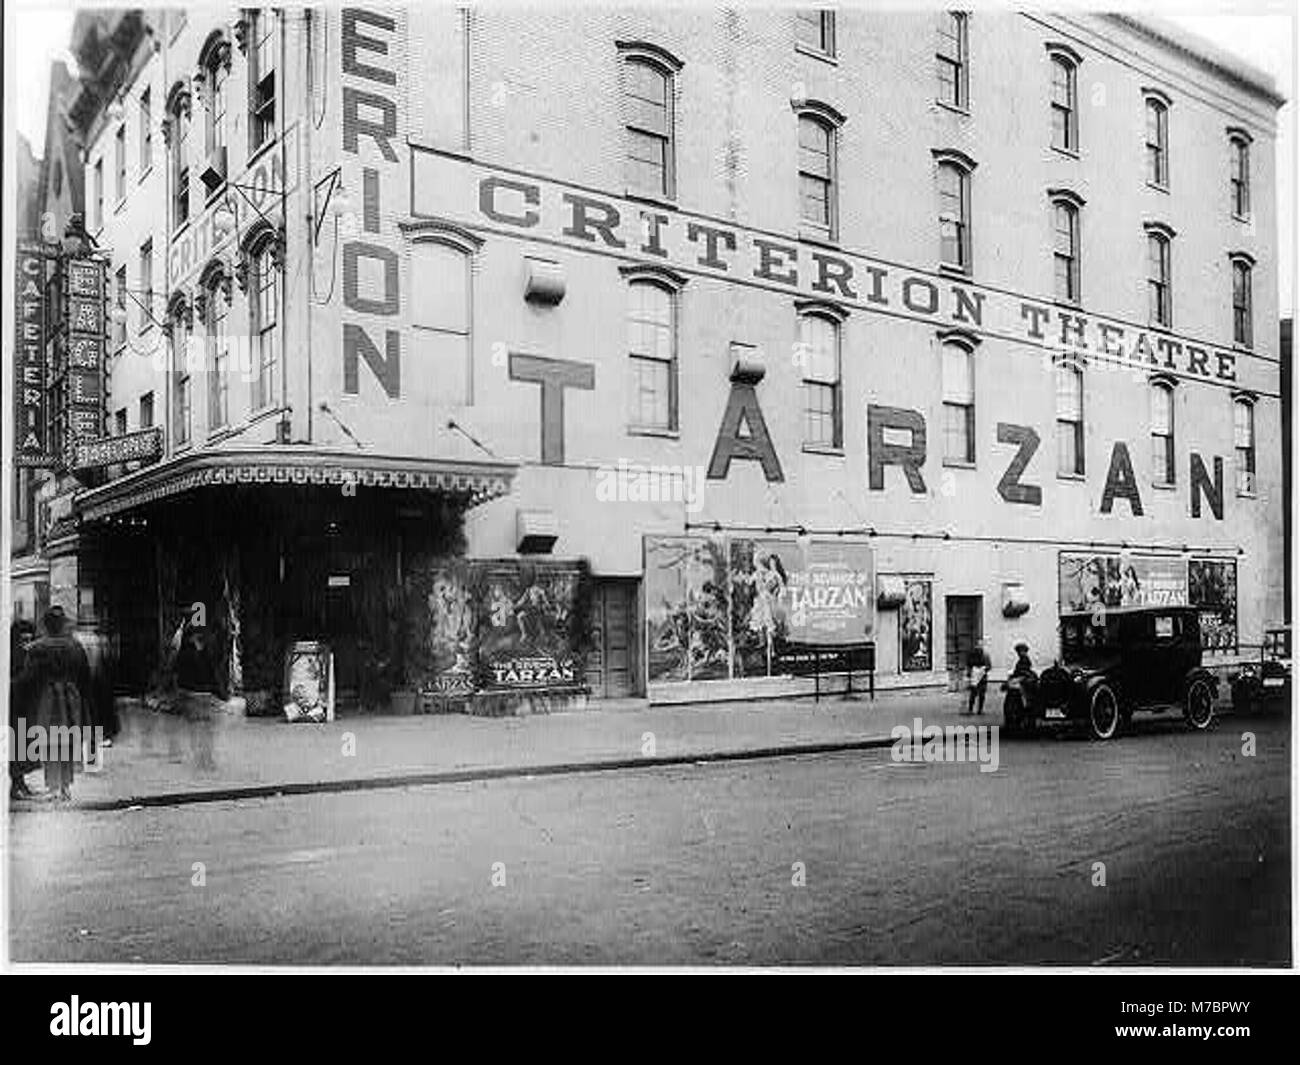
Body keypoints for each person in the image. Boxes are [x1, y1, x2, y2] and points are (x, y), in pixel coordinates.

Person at [19, 607, 92, 802]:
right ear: (62, 625)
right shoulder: (75, 646)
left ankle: (53, 787)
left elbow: (28, 678)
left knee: (49, 742)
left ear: (47, 625)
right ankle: (66, 787)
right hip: (70, 698)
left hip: (48, 699)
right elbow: (85, 676)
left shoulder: (36, 649)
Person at [174, 621, 221, 771]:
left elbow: (212, 672)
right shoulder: (193, 652)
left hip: (201, 694)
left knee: (204, 728)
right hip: (195, 694)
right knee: (200, 728)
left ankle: (205, 758)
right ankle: (202, 758)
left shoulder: (201, 652)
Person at [9, 619, 38, 799]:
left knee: (23, 749)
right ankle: (16, 786)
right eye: (23, 640)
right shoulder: (12, 656)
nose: (26, 644)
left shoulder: (29, 656)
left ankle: (20, 784)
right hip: (13, 708)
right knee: (15, 749)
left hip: (25, 708)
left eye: (29, 639)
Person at [966, 640, 992, 715]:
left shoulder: (985, 655)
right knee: (974, 693)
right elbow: (969, 664)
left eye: (979, 647)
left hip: (982, 676)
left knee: (981, 694)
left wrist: (983, 670)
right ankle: (972, 709)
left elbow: (989, 666)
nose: (978, 648)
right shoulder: (973, 655)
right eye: (977, 647)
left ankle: (979, 709)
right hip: (976, 676)